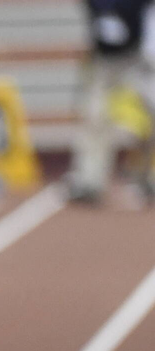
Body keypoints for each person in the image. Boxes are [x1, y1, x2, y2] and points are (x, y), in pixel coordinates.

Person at [69, 0, 153, 201]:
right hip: (103, 63)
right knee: (95, 118)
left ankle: (148, 176)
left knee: (149, 119)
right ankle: (89, 181)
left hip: (135, 59)